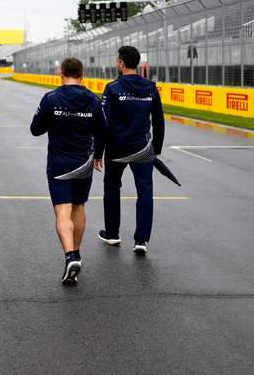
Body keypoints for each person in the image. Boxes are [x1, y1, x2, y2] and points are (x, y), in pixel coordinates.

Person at [30, 58, 105, 285]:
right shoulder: (93, 99)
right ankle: (77, 253)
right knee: (79, 207)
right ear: (82, 75)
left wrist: (54, 120)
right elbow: (103, 130)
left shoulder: (51, 98)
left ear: (61, 73)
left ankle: (70, 255)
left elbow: (35, 129)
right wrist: (98, 155)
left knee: (63, 212)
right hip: (84, 162)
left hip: (59, 163)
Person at [97, 46, 165, 255]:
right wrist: (156, 149)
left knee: (111, 188)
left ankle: (112, 234)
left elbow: (103, 122)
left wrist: (98, 151)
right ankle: (141, 240)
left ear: (121, 63)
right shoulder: (151, 88)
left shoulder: (113, 88)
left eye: (118, 61)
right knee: (145, 191)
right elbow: (159, 122)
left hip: (117, 147)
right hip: (143, 149)